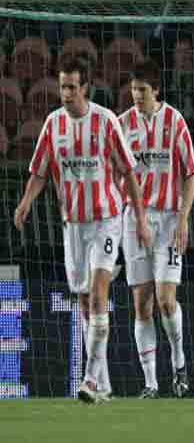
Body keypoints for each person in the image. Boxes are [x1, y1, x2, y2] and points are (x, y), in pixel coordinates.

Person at [14, 56, 152, 404]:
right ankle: (103, 386)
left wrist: (138, 220)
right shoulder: (53, 124)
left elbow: (129, 172)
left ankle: (89, 380)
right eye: (62, 86)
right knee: (84, 302)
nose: (65, 93)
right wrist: (26, 202)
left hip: (107, 219)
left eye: (72, 87)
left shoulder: (105, 121)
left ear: (85, 88)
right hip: (72, 224)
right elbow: (40, 171)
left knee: (99, 294)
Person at [119, 60, 194, 399]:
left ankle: (179, 364)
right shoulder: (121, 124)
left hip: (167, 219)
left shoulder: (175, 121)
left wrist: (183, 217)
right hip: (133, 219)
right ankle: (151, 383)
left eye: (142, 90)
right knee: (142, 305)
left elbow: (192, 172)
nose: (136, 95)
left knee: (167, 301)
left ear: (156, 91)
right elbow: (114, 174)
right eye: (133, 89)